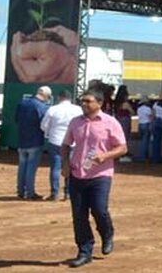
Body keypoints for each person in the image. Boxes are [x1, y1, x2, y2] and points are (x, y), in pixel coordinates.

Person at [60, 89, 127, 268]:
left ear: (100, 103)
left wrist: (105, 156)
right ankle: (84, 251)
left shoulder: (110, 123)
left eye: (88, 101)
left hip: (100, 175)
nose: (84, 104)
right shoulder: (75, 122)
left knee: (99, 209)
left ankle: (107, 234)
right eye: (82, 101)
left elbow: (122, 148)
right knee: (79, 216)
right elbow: (65, 145)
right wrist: (65, 164)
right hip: (77, 174)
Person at [40, 89, 83, 201]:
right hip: (71, 142)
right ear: (70, 98)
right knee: (70, 167)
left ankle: (54, 193)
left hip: (55, 140)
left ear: (59, 98)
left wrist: (48, 133)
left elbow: (44, 125)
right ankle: (68, 193)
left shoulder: (53, 109)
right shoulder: (77, 109)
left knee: (55, 168)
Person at [15, 86, 51, 200]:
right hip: (35, 140)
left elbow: (16, 119)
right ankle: (30, 192)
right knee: (31, 168)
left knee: (22, 167)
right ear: (45, 95)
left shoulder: (22, 103)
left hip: (22, 140)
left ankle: (21, 191)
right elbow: (44, 125)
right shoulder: (42, 107)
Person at [113, 86, 134, 161]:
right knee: (125, 136)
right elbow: (132, 112)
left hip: (118, 118)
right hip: (125, 119)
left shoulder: (117, 102)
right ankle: (123, 154)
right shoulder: (126, 103)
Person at [135, 96, 154, 163]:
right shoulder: (148, 109)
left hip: (140, 124)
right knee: (145, 141)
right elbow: (151, 117)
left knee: (143, 140)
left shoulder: (139, 108)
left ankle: (144, 156)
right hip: (146, 124)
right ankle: (143, 156)